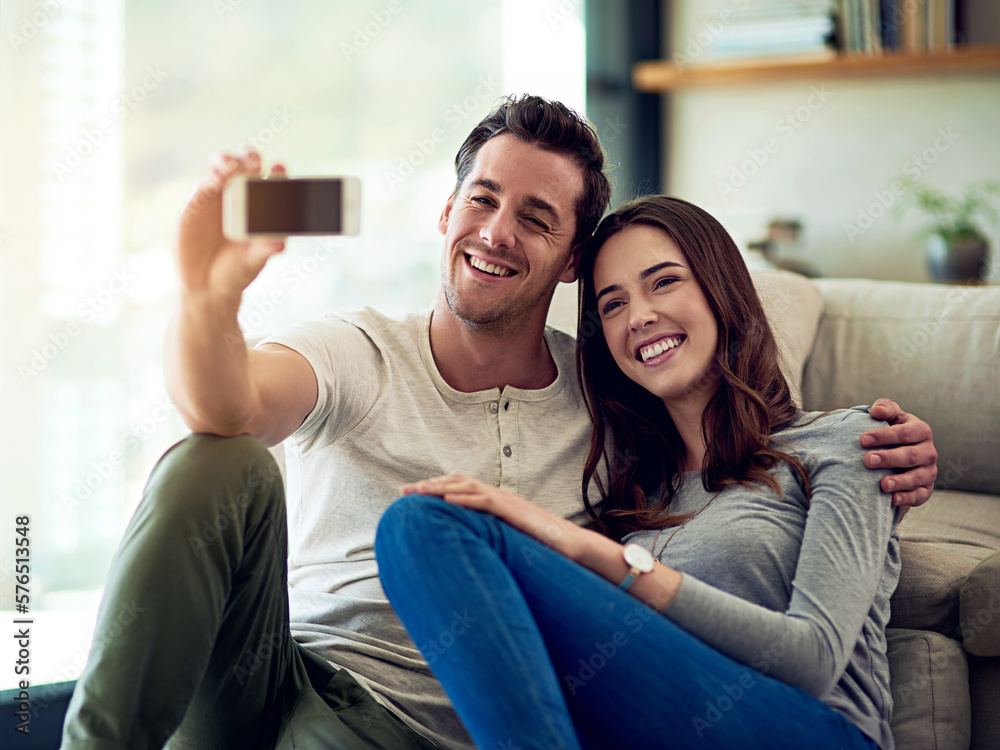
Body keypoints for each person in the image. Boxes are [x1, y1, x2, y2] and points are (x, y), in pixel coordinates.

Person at [61, 96, 935, 750]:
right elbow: (227, 407)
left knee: (426, 525)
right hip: (280, 668)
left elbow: (800, 608)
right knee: (214, 462)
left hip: (409, 725)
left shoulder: (616, 420)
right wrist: (210, 298)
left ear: (564, 265)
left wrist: (891, 454)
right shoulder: (365, 351)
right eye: (481, 200)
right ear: (447, 215)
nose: (496, 232)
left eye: (537, 218)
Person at [375, 195, 906, 749]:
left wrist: (589, 550)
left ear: (720, 286)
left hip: (809, 732)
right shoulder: (632, 491)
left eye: (664, 282)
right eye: (612, 305)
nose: (640, 316)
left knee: (424, 524)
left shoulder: (851, 442)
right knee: (419, 526)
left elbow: (811, 659)